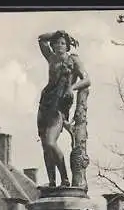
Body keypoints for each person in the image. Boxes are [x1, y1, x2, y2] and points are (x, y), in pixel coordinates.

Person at [37, 30, 91, 187]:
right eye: (56, 43)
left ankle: (65, 179)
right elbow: (41, 39)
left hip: (60, 106)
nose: (59, 45)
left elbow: (87, 79)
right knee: (45, 147)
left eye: (62, 43)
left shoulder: (73, 60)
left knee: (50, 142)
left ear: (67, 46)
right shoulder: (51, 58)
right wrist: (58, 32)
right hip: (45, 104)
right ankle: (52, 182)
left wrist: (72, 88)